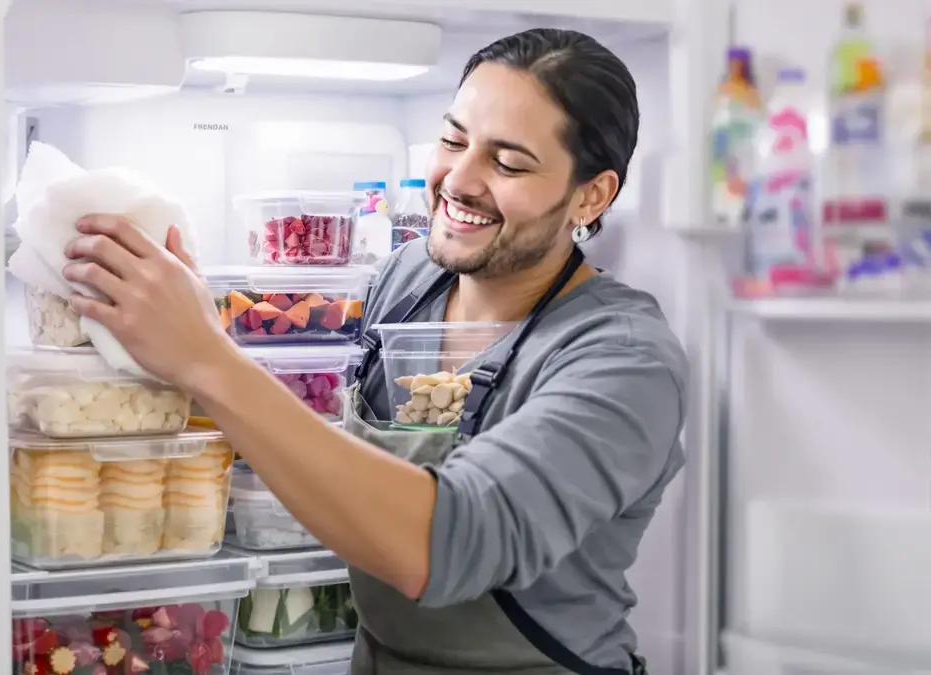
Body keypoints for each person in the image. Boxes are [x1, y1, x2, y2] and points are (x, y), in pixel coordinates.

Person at [60, 28, 687, 675]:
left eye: (508, 163)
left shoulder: (623, 361)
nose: (458, 180)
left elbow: (445, 542)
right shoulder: (408, 278)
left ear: (591, 194)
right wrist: (172, 335)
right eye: (453, 139)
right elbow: (320, 459)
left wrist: (207, 357)